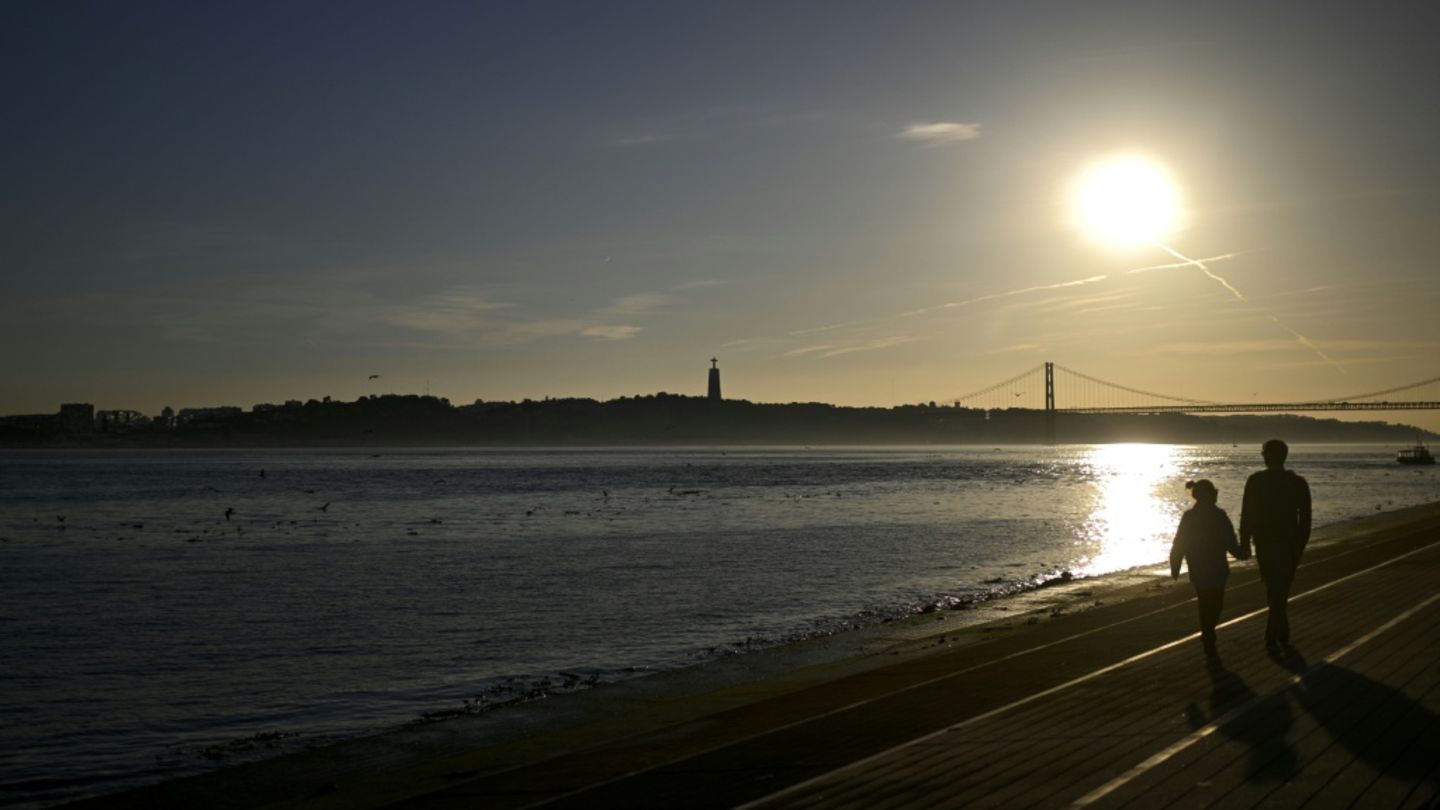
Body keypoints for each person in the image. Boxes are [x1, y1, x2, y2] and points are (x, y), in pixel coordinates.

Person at [1239, 439, 1312, 653]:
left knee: (1273, 588)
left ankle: (1274, 634)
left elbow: (1247, 514)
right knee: (1280, 589)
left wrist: (1245, 542)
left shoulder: (1255, 481)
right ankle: (1280, 631)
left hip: (1264, 543)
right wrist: (1300, 545)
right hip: (1288, 544)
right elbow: (1306, 519)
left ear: (1266, 456)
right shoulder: (1298, 483)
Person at [1170, 479, 1244, 660]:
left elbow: (1179, 543)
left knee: (1207, 601)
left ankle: (1208, 630)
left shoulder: (1204, 516)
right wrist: (1240, 553)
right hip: (1213, 566)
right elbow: (1180, 542)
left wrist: (1176, 564)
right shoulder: (1214, 516)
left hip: (1201, 566)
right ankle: (1208, 631)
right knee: (1214, 602)